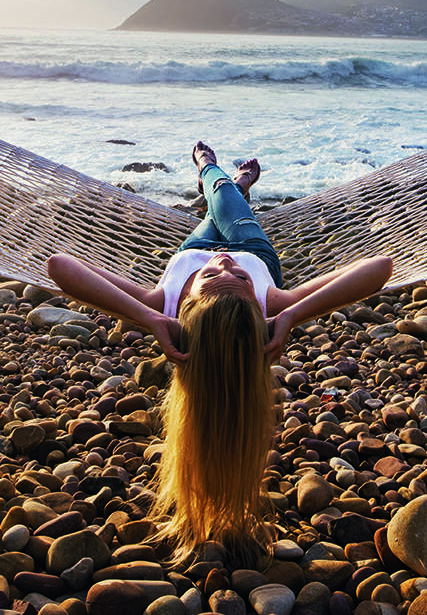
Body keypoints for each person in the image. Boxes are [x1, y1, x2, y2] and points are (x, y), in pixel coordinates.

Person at [46, 142, 394, 563]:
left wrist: (150, 318)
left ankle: (213, 172)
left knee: (218, 208)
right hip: (253, 246)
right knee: (227, 200)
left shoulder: (164, 303)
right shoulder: (266, 303)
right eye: (240, 281)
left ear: (188, 305)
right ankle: (226, 179)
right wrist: (290, 314)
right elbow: (380, 267)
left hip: (188, 250)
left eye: (216, 276)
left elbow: (59, 265)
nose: (226, 264)